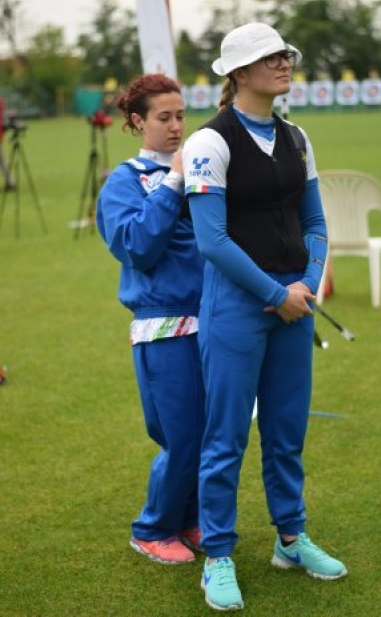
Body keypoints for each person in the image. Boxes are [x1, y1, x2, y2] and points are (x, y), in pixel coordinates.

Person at [182, 22, 347, 611]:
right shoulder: (208, 142)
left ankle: (291, 539)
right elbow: (213, 242)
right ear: (239, 73)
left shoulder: (298, 137)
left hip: (294, 299)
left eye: (285, 55)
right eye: (269, 58)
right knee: (225, 436)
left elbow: (317, 224)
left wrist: (304, 282)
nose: (284, 63)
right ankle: (219, 554)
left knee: (285, 432)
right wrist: (275, 295)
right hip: (236, 305)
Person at [96, 74, 205, 565]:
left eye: (181, 115)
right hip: (163, 324)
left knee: (211, 434)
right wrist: (174, 182)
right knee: (181, 435)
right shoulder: (124, 180)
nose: (177, 126)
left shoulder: (201, 166)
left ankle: (189, 520)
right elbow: (137, 246)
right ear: (137, 121)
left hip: (214, 319)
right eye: (164, 117)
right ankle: (152, 528)